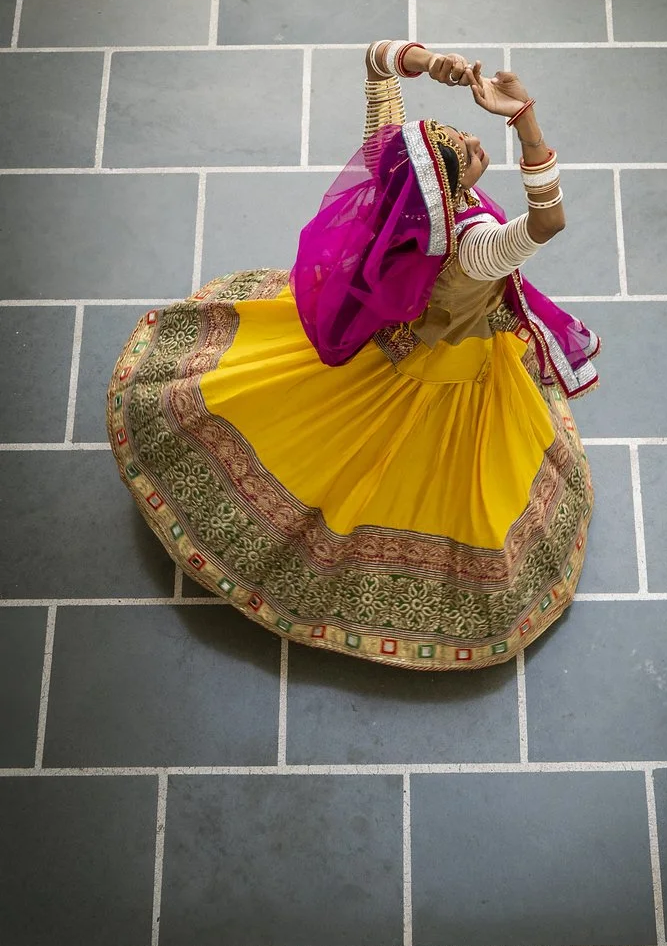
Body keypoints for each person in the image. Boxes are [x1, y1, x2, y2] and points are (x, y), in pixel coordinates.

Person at [108, 39, 600, 671]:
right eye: (463, 152)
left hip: (382, 340)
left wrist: (426, 63)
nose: (474, 146)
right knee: (443, 482)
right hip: (447, 372)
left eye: (454, 135)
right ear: (448, 192)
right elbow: (547, 222)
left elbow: (376, 66)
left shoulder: (394, 184)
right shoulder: (475, 249)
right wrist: (523, 120)